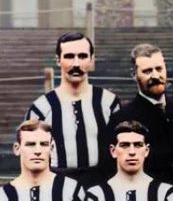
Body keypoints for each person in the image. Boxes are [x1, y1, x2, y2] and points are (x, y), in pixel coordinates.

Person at [105, 43, 173, 201]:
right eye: (147, 71)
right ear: (134, 75)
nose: (155, 75)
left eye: (159, 69)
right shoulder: (123, 117)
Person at [25, 31, 120, 183]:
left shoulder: (108, 102)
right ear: (58, 60)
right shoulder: (41, 107)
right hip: (57, 186)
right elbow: (29, 158)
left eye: (82, 56)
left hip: (101, 185)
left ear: (91, 60)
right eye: (69, 56)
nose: (76, 64)